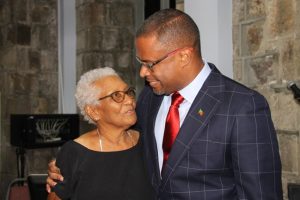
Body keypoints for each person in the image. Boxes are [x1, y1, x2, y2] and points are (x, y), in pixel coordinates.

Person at [47, 9, 283, 199]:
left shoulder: (243, 106)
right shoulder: (151, 98)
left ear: (183, 56)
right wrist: (65, 170)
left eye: (150, 64)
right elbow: (128, 150)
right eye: (141, 62)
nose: (142, 72)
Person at [47, 67, 154, 200]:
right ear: (93, 111)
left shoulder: (147, 141)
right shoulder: (75, 152)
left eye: (128, 92)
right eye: (116, 95)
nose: (129, 101)